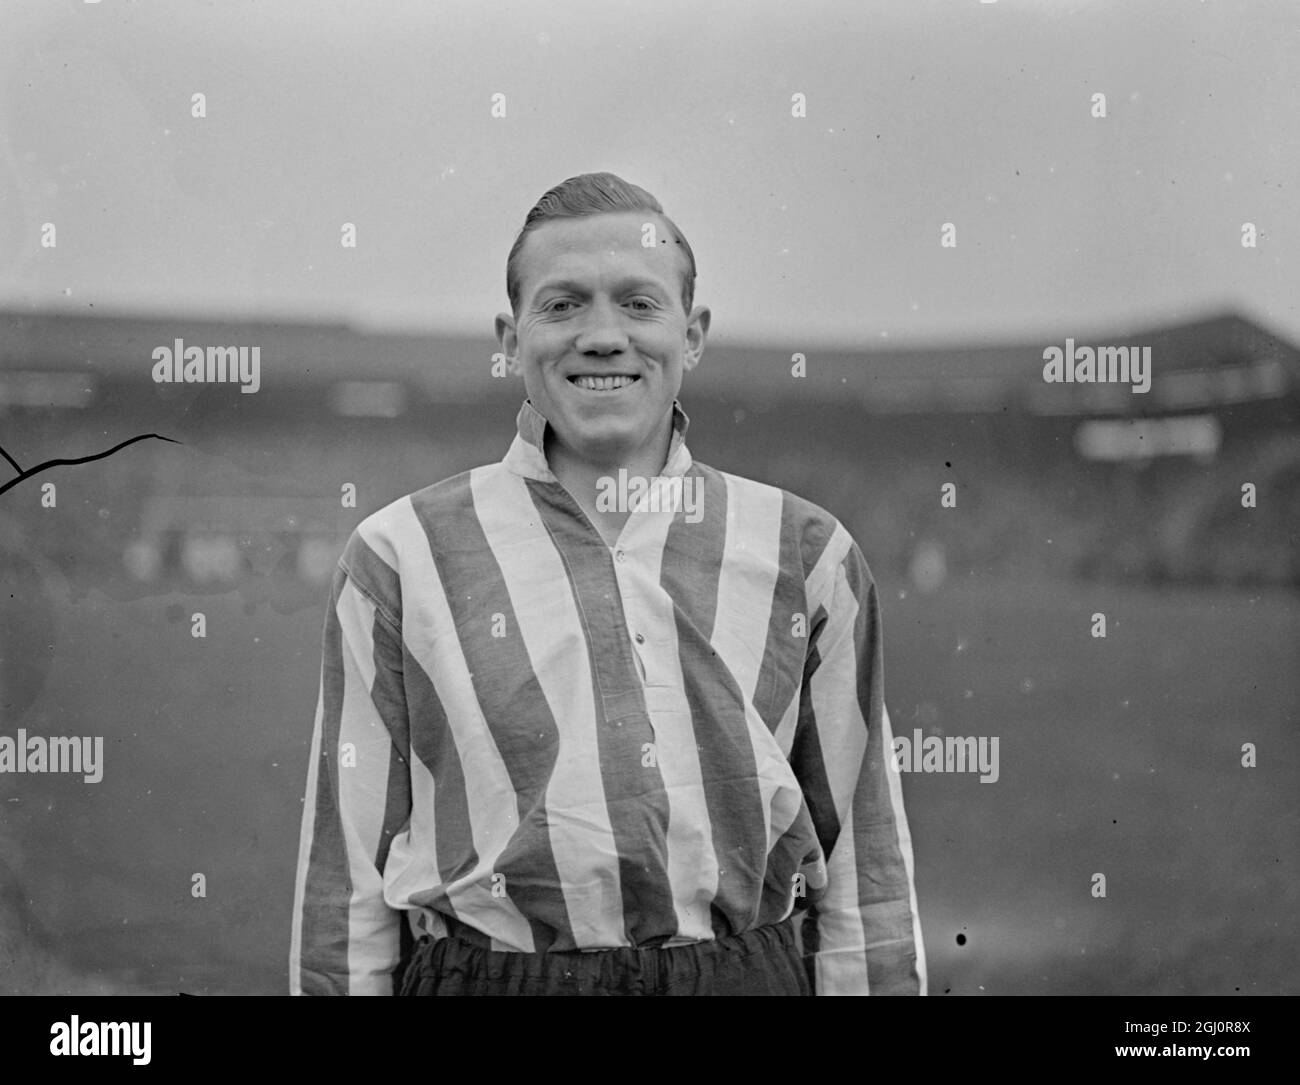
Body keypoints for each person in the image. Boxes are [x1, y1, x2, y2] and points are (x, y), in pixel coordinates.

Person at [290, 172, 926, 996]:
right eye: (562, 305)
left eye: (638, 303)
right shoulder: (397, 556)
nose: (602, 336)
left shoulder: (807, 552)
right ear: (509, 339)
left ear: (691, 333)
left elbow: (863, 862)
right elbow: (346, 878)